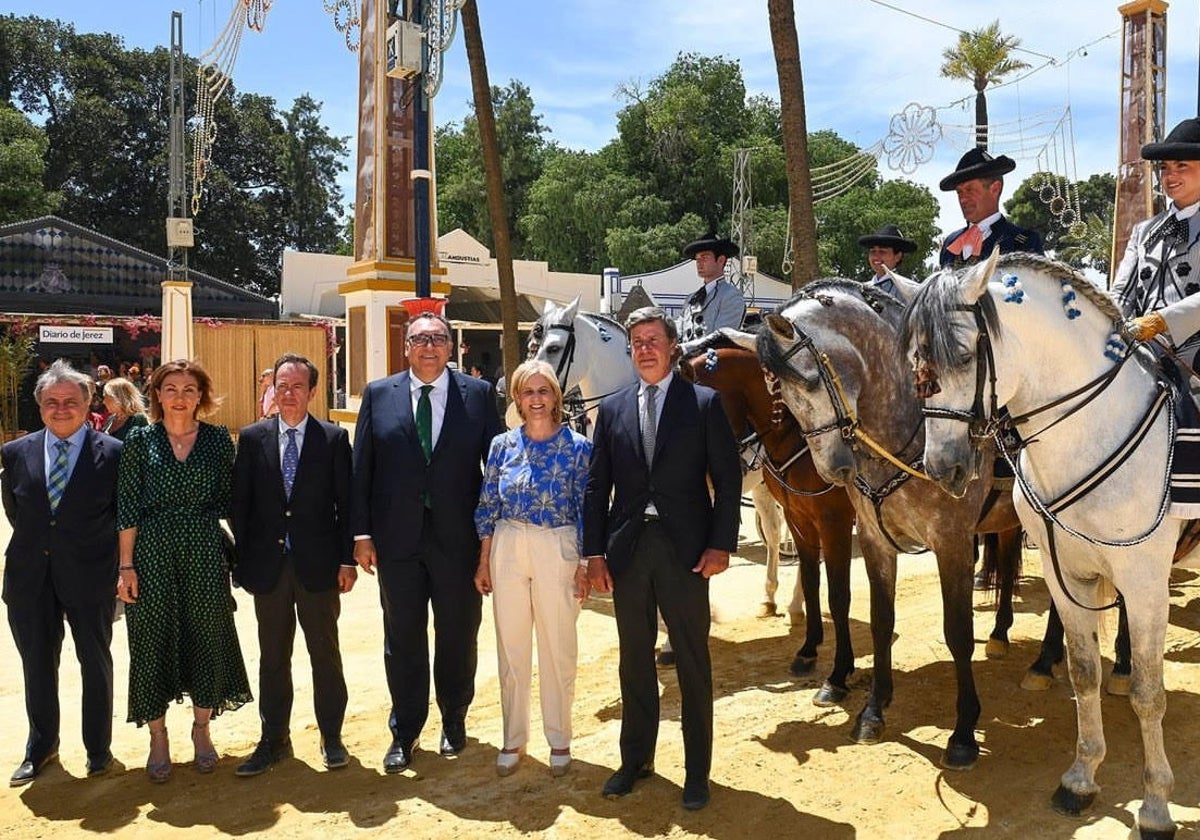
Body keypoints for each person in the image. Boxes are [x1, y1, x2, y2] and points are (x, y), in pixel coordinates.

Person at [583, 306, 742, 811]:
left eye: (653, 339)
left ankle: (698, 773)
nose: (645, 348)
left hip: (687, 553)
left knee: (692, 662)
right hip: (628, 551)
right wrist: (593, 553)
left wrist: (722, 544)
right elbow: (596, 487)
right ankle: (636, 761)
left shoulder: (704, 404)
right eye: (637, 341)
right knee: (634, 661)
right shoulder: (610, 412)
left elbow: (729, 479)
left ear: (672, 347)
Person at [352, 311, 503, 773]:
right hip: (397, 543)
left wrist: (489, 546)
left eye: (439, 338)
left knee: (458, 634)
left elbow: (495, 472)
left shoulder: (477, 397)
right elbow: (362, 471)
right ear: (406, 347)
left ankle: (454, 719)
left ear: (452, 347)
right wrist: (361, 535)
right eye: (421, 339)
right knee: (403, 638)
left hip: (458, 543)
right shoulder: (379, 395)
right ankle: (406, 728)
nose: (430, 347)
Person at [115, 359, 252, 783]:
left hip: (204, 550)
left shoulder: (216, 441)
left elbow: (234, 502)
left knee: (207, 633)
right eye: (170, 388)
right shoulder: (140, 440)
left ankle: (202, 729)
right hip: (151, 552)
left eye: (189, 389)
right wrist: (126, 566)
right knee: (151, 637)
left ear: (201, 395)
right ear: (156, 394)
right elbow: (128, 507)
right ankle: (157, 737)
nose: (179, 397)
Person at [231, 353, 356, 776]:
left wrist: (346, 560)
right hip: (268, 569)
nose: (288, 393)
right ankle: (274, 739)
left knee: (325, 652)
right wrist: (245, 562)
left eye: (297, 386)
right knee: (272, 657)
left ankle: (332, 736)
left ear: (312, 391)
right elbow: (240, 507)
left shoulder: (334, 439)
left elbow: (346, 505)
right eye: (281, 386)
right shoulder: (251, 438)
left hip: (319, 567)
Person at [2, 360, 122, 785]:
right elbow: (17, 512)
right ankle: (42, 746)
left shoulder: (113, 454)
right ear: (40, 407)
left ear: (88, 403)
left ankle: (98, 749)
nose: (61, 409)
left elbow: (120, 516)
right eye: (52, 402)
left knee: (95, 661)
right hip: (29, 578)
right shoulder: (16, 453)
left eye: (71, 401)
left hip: (90, 576)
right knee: (37, 664)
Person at [473, 360, 591, 777]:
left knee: (558, 646)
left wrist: (582, 564)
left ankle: (559, 738)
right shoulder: (502, 445)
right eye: (528, 392)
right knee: (512, 645)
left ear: (555, 397)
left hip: (556, 545)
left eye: (544, 391)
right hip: (506, 544)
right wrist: (484, 559)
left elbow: (585, 508)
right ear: (518, 400)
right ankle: (514, 737)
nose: (536, 400)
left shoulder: (578, 447)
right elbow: (487, 504)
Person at [938, 148, 1043, 268]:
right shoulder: (950, 243)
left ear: (995, 189)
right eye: (959, 192)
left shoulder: (1023, 242)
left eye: (969, 190)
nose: (963, 199)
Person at [677, 231, 746, 342]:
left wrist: (684, 349)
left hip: (712, 357)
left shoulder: (731, 296)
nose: (699, 263)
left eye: (704, 258)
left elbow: (721, 337)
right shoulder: (690, 298)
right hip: (685, 357)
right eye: (697, 259)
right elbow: (677, 331)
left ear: (720, 260)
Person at [858, 223, 918, 299]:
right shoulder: (861, 290)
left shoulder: (910, 292)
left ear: (897, 256)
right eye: (873, 251)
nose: (876, 256)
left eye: (882, 251)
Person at [101, 377, 150, 442]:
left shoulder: (138, 419)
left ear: (118, 399)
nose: (104, 402)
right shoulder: (111, 419)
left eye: (106, 397)